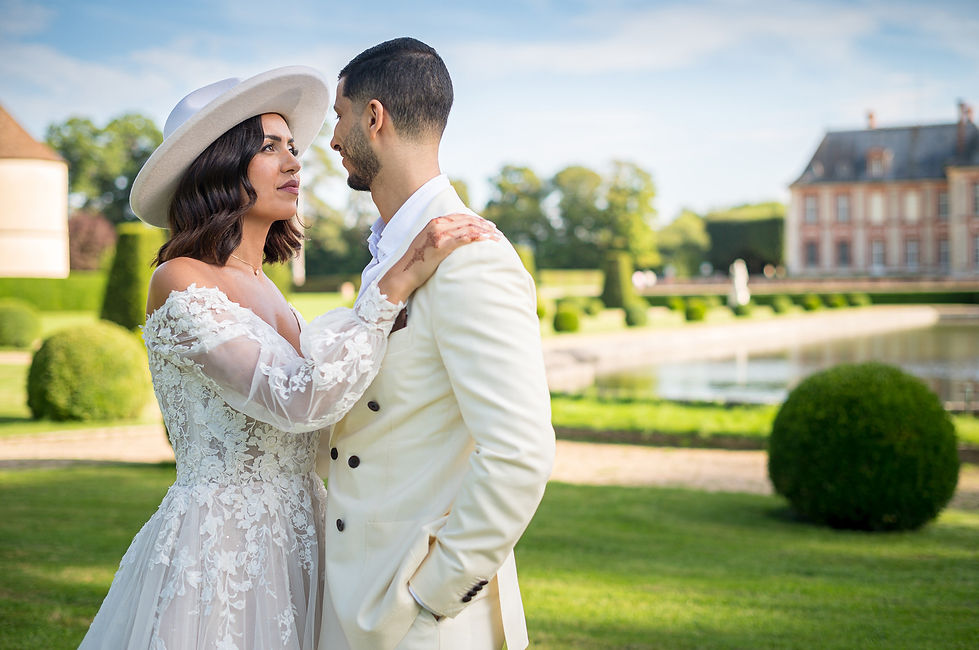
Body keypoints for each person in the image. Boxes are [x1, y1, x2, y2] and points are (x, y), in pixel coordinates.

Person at [78, 66, 496, 650]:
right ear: (220, 166)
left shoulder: (273, 293)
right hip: (224, 550)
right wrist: (391, 288)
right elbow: (299, 401)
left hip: (308, 537)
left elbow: (331, 415)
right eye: (269, 148)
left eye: (293, 147)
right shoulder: (180, 280)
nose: (295, 163)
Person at [318, 39, 555, 650]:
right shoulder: (389, 252)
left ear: (374, 117)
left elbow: (519, 453)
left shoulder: (473, 259)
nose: (333, 138)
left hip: (422, 621)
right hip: (355, 596)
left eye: (340, 117)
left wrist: (433, 598)